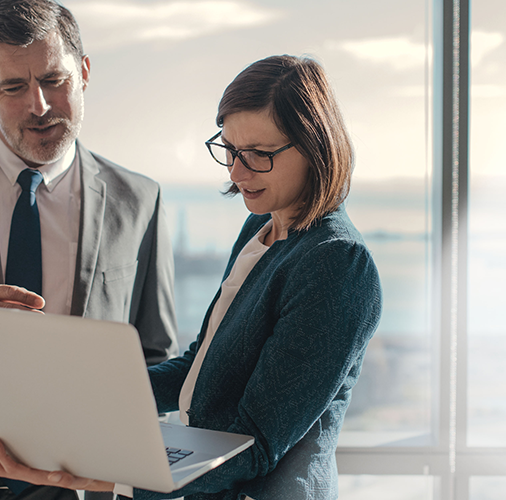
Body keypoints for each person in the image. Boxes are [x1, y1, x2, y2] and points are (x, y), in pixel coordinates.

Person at [0, 55, 382, 500]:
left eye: (259, 155)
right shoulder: (261, 230)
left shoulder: (338, 262)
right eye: (231, 151)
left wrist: (113, 474)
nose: (238, 174)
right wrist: (76, 392)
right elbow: (198, 370)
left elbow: (257, 445)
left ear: (316, 146)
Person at [0, 0, 178, 499]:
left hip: (88, 486)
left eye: (53, 79)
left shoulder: (140, 199)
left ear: (84, 73)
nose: (38, 105)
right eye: (13, 87)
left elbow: (155, 355)